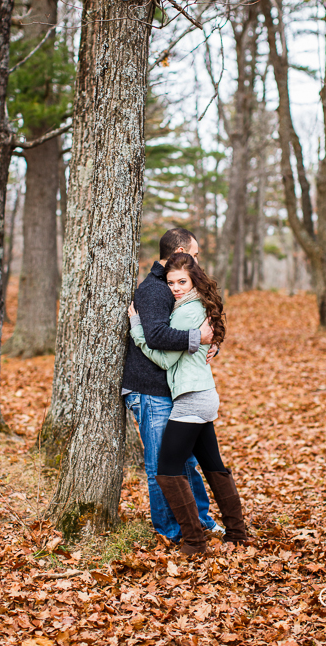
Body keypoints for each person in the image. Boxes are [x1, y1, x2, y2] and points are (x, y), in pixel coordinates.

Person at [128, 251, 247, 556]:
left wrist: (137, 329)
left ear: (194, 280)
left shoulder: (183, 313)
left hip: (191, 399)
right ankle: (237, 532)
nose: (176, 288)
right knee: (212, 465)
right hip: (203, 394)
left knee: (167, 469)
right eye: (171, 282)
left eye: (182, 281)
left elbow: (166, 359)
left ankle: (194, 542)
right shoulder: (195, 306)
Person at [122, 228, 221, 542]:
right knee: (160, 466)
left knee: (186, 461)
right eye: (195, 251)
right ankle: (171, 530)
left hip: (171, 389)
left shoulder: (175, 286)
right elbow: (156, 337)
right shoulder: (155, 289)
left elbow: (198, 318)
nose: (198, 258)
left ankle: (199, 520)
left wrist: (211, 340)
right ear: (180, 250)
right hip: (149, 389)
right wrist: (197, 339)